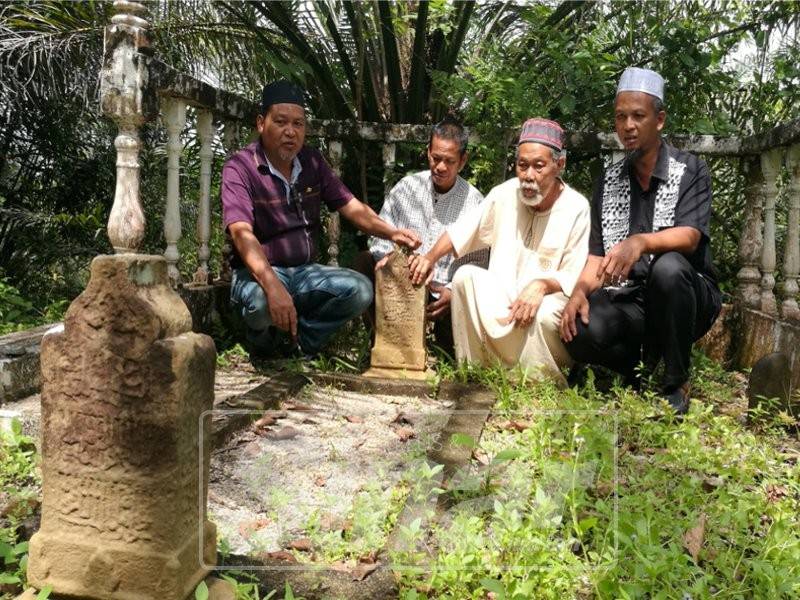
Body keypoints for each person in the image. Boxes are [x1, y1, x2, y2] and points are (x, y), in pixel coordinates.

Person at [560, 67, 722, 414]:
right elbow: (597, 257)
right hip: (631, 298)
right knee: (579, 331)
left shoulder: (690, 169)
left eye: (638, 116)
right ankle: (637, 368)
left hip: (686, 296)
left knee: (668, 267)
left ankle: (675, 382)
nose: (628, 126)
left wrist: (640, 242)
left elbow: (691, 236)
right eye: (621, 117)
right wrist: (578, 293)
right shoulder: (609, 180)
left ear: (659, 120)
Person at [221, 80, 420, 357]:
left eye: (298, 124)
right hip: (257, 274)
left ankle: (301, 343)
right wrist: (272, 285)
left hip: (304, 273)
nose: (290, 132)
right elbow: (241, 234)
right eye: (280, 122)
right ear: (261, 123)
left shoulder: (311, 162)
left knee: (361, 290)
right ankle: (263, 344)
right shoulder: (240, 168)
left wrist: (392, 233)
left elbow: (352, 207)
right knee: (260, 305)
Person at [408, 118, 590, 384]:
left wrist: (542, 286)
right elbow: (461, 232)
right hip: (503, 299)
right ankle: (476, 372)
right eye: (522, 165)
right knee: (465, 277)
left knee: (545, 314)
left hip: (545, 302)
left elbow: (573, 274)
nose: (528, 176)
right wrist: (429, 258)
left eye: (538, 166)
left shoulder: (577, 207)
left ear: (559, 165)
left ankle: (537, 380)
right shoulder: (504, 194)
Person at [353, 117, 487, 352]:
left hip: (442, 294)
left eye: (449, 161)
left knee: (453, 332)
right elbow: (380, 237)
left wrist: (452, 291)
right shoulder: (407, 188)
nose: (441, 167)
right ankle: (382, 345)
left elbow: (480, 262)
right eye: (436, 158)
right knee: (363, 262)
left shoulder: (474, 202)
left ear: (463, 161)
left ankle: (443, 348)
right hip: (399, 285)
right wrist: (391, 259)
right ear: (428, 153)